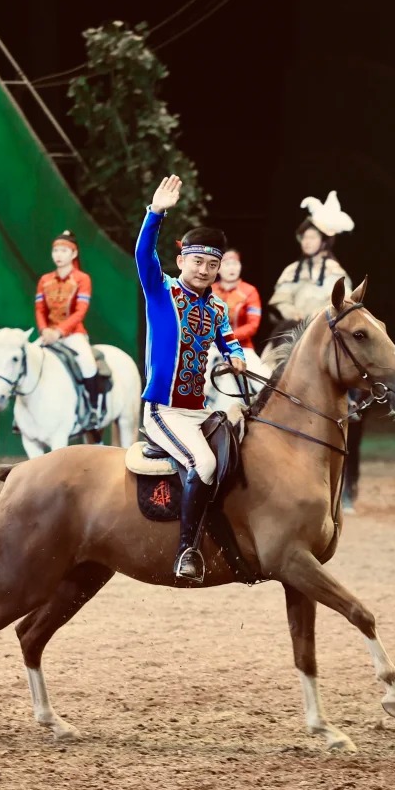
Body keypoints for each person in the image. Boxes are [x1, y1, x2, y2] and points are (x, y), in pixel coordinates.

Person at [137, 176, 248, 583]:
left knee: (243, 442)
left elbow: (229, 340)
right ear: (182, 259)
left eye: (213, 264)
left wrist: (236, 357)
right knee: (202, 462)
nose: (205, 270)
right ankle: (187, 551)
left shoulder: (217, 307)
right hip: (162, 410)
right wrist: (156, 212)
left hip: (198, 411)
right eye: (198, 261)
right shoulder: (160, 289)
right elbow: (144, 254)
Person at [34, 230, 106, 405]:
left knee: (88, 364)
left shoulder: (82, 279)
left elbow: (80, 312)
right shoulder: (45, 280)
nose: (58, 255)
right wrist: (44, 331)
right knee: (27, 360)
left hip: (73, 335)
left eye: (64, 250)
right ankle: (21, 418)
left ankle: (93, 408)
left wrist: (59, 332)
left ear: (74, 253)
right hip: (48, 335)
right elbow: (39, 309)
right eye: (55, 250)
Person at [270, 191, 351, 323]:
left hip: (324, 325)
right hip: (293, 327)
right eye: (304, 238)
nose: (307, 242)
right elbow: (281, 298)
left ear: (323, 242)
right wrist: (290, 312)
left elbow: (343, 298)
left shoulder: (333, 269)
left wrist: (318, 314)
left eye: (312, 238)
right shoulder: (292, 270)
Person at [212, 248, 263, 352]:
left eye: (235, 264)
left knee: (262, 369)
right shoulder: (209, 291)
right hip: (210, 347)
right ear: (218, 268)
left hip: (242, 348)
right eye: (227, 264)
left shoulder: (250, 291)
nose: (232, 268)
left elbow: (253, 325)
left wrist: (228, 337)